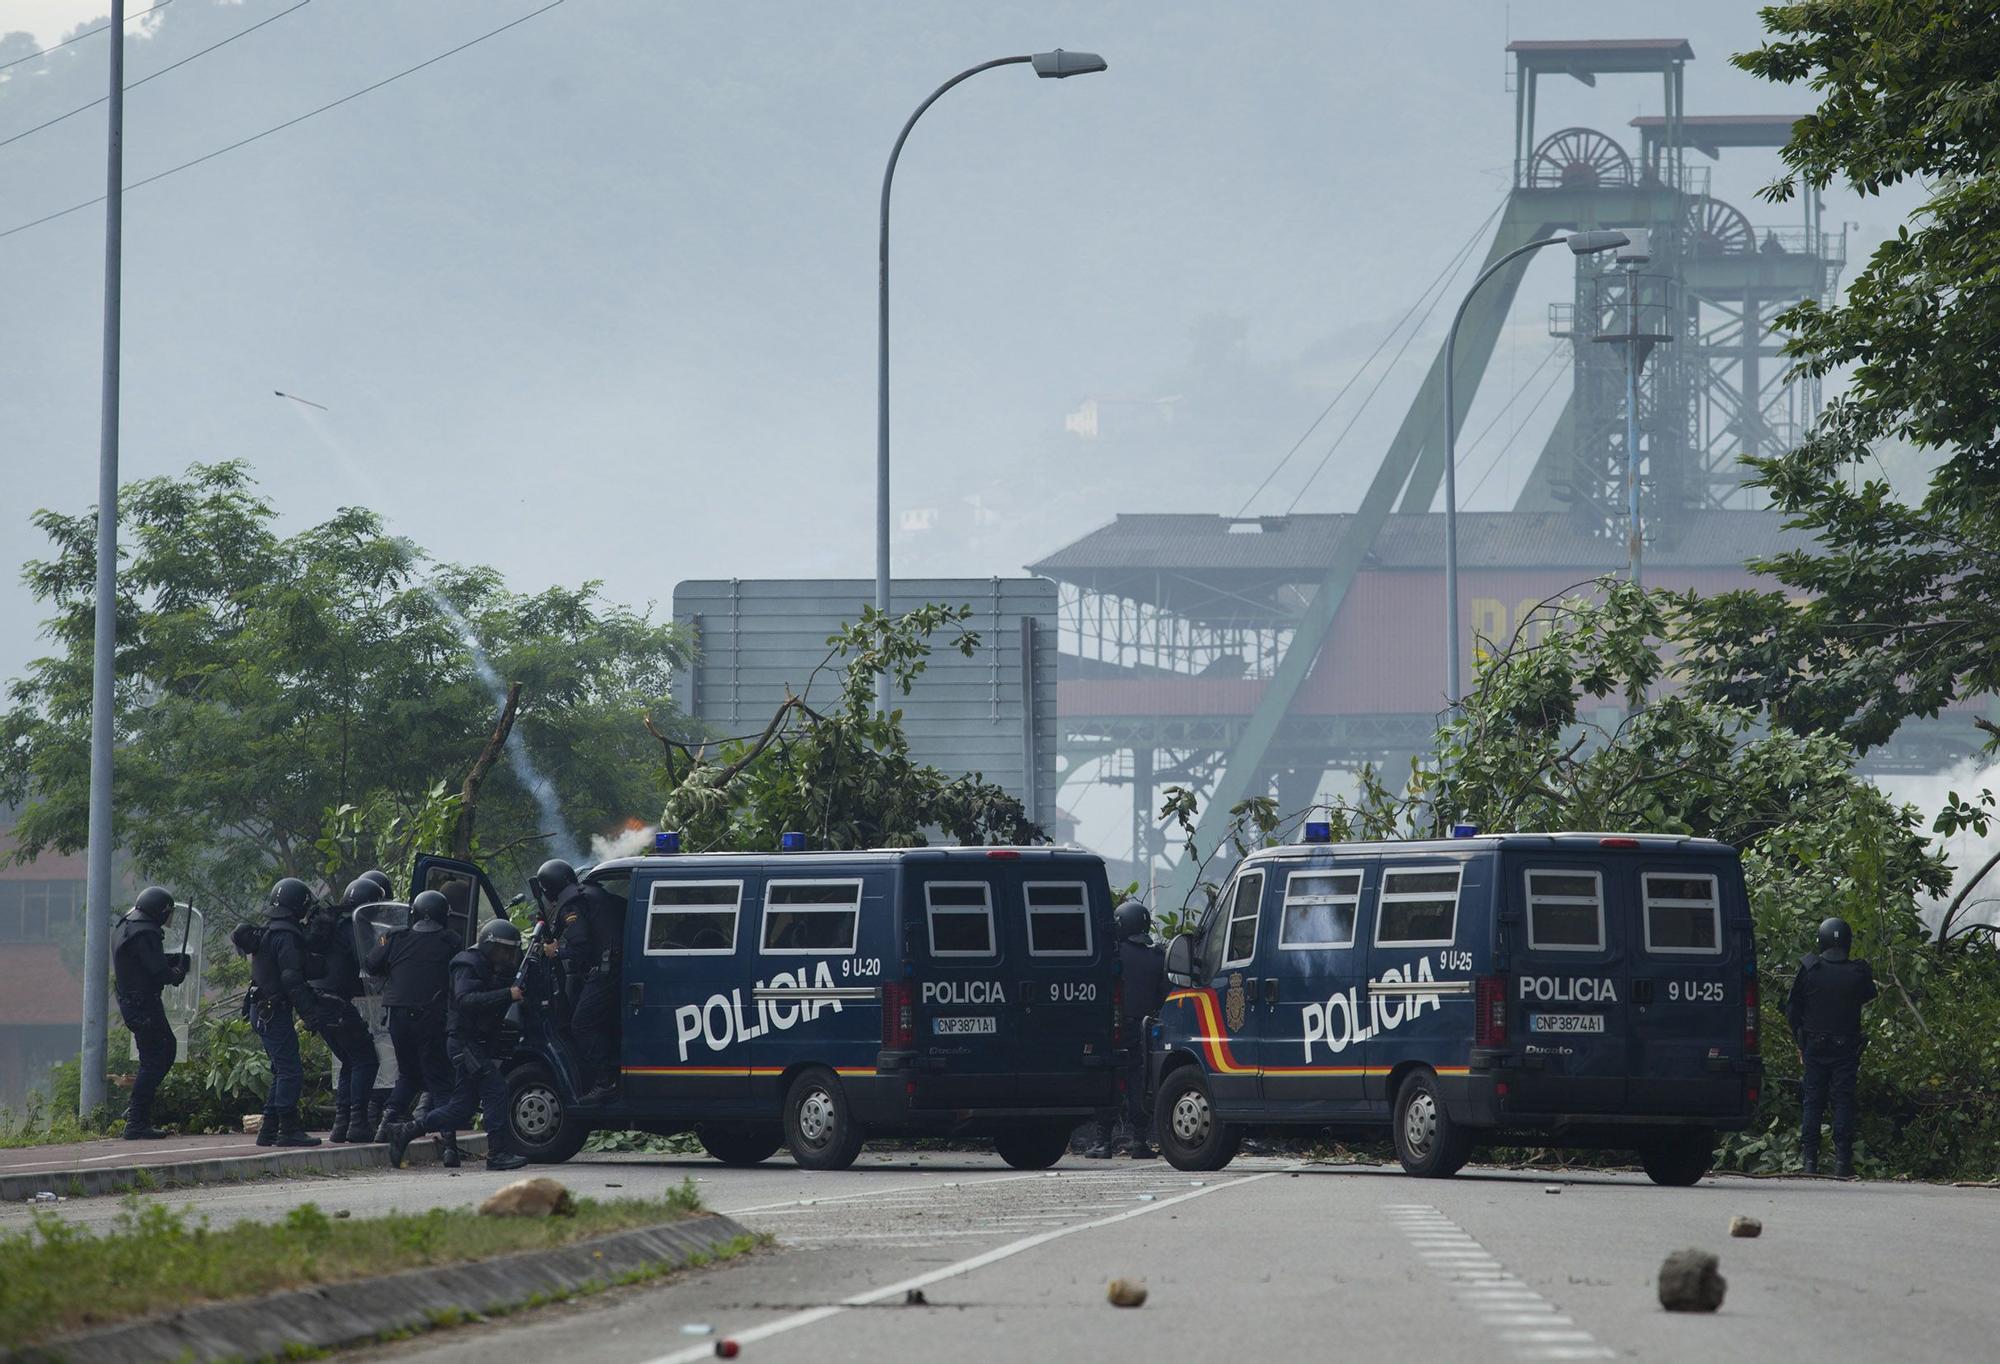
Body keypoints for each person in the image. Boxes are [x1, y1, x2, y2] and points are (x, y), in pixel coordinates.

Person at [385, 918, 530, 1172]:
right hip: (464, 1043)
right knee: (496, 1089)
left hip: (472, 1044)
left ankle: (405, 1131)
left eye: (510, 951)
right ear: (487, 945)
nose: (506, 956)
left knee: (461, 1107)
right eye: (502, 950)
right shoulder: (467, 963)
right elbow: (466, 999)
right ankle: (497, 1153)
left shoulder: (490, 967)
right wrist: (507, 994)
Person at [365, 888, 459, 1157]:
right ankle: (449, 1144)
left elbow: (371, 964)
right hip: (432, 1016)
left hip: (398, 1016)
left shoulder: (394, 937)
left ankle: (385, 1127)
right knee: (440, 1080)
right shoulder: (450, 940)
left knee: (408, 1075)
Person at [1785, 915, 1878, 1178]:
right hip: (1846, 1048)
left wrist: (1800, 1041)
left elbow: (1792, 1009)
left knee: (1812, 1102)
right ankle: (1842, 1163)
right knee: (1843, 1102)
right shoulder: (1858, 972)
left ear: (1821, 940)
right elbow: (1868, 995)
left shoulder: (1809, 969)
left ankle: (1810, 1163)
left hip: (1815, 1046)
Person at [536, 858, 624, 1105]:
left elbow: (580, 946)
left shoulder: (571, 903)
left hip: (606, 970)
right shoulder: (594, 893)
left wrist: (556, 952)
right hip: (619, 967)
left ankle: (605, 1082)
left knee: (582, 1024)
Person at [305, 877, 384, 1142]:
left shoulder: (330, 923)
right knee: (366, 1060)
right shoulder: (354, 925)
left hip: (316, 1002)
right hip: (336, 1003)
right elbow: (370, 963)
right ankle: (358, 1123)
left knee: (350, 1061)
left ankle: (341, 1125)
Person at [1087, 901, 1166, 1160]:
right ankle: (1140, 1142)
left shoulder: (1115, 954)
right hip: (1145, 1030)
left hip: (1115, 1028)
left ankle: (1102, 1142)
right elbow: (1163, 996)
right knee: (1138, 1085)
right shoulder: (1157, 957)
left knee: (1109, 1082)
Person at [248, 878, 323, 1148]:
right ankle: (288, 1130)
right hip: (273, 1011)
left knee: (281, 1069)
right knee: (290, 1071)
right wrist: (310, 1013)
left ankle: (268, 1130)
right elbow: (292, 979)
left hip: (262, 1009)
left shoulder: (270, 930)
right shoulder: (286, 936)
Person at [110, 886, 189, 1140]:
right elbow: (159, 973)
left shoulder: (128, 925)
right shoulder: (146, 932)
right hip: (143, 1004)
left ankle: (137, 1112)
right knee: (160, 1054)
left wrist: (170, 961)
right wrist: (177, 972)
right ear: (160, 911)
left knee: (154, 1056)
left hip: (133, 1002)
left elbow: (143, 962)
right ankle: (136, 1121)